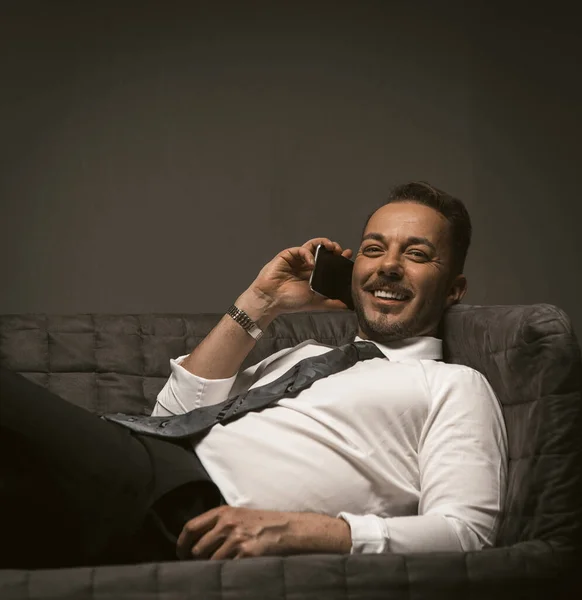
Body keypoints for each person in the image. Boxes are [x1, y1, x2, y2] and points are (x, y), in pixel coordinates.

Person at [0, 181, 507, 568]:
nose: (388, 266)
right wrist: (261, 302)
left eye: (416, 254)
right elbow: (169, 419)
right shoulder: (300, 357)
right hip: (146, 476)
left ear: (454, 289)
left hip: (193, 510)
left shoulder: (454, 386)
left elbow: (466, 533)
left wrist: (298, 530)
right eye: (374, 249)